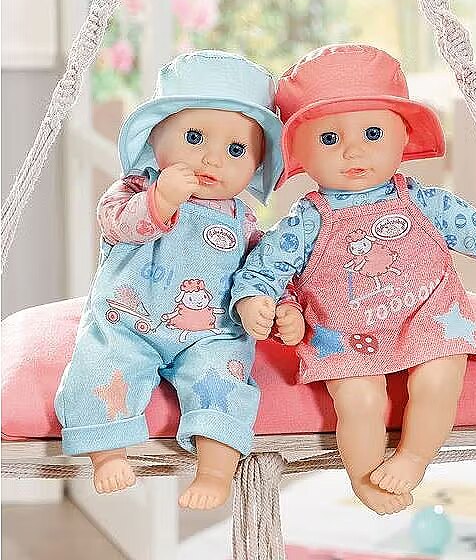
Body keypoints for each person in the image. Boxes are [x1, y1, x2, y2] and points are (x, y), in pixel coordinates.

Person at [230, 44, 476, 515]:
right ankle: (365, 477)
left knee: (440, 375)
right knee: (359, 399)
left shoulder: (422, 199)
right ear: (298, 150)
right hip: (345, 330)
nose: (353, 151)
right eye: (329, 139)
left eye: (372, 133)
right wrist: (254, 299)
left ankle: (414, 455)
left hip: (427, 316)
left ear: (403, 136)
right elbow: (266, 266)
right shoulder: (307, 218)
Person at [55, 50, 302, 510]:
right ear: (156, 138)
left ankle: (215, 470)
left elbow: (265, 269)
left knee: (224, 383)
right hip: (129, 321)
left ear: (256, 165)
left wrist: (280, 307)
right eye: (194, 137)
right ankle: (107, 453)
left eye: (236, 150)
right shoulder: (135, 189)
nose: (212, 158)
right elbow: (114, 224)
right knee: (99, 365)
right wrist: (159, 201)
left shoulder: (243, 219)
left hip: (211, 334)